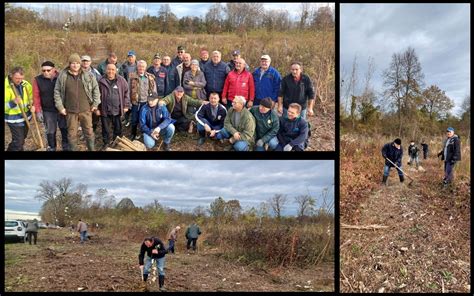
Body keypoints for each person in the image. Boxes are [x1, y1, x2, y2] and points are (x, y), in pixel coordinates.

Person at [54, 53, 101, 151]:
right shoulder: (63, 76)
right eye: (73, 63)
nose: (75, 65)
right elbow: (57, 91)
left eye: (77, 63)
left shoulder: (88, 75)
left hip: (86, 109)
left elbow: (96, 89)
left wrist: (95, 104)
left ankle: (91, 149)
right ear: (69, 64)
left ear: (80, 64)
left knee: (89, 131)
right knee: (71, 134)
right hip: (70, 111)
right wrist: (60, 107)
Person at [33, 61, 69, 151]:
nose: (46, 72)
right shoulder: (37, 80)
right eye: (43, 70)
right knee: (50, 131)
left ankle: (66, 146)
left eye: (48, 70)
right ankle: (52, 147)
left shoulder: (62, 77)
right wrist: (38, 111)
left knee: (64, 128)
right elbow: (36, 96)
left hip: (62, 109)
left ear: (54, 70)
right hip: (47, 110)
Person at [98, 63, 130, 150]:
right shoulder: (100, 80)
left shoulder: (121, 80)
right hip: (104, 109)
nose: (111, 71)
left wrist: (126, 105)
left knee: (118, 128)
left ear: (116, 70)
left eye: (113, 70)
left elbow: (127, 93)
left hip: (118, 109)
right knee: (105, 129)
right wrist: (97, 108)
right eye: (109, 69)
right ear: (106, 70)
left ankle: (117, 143)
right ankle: (106, 143)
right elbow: (96, 95)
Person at [5, 67, 34, 151]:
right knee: (18, 141)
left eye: (21, 78)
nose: (19, 81)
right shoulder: (5, 87)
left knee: (21, 139)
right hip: (13, 119)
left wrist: (31, 105)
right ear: (11, 76)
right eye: (17, 78)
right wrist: (12, 103)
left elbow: (31, 99)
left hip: (26, 117)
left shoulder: (26, 84)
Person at [129, 60, 157, 140]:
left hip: (146, 102)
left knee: (145, 119)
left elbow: (154, 90)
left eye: (143, 66)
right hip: (136, 102)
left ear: (145, 67)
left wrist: (153, 101)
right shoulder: (132, 76)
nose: (141, 68)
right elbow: (128, 89)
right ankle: (133, 134)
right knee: (134, 119)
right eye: (139, 66)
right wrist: (129, 102)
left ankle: (144, 134)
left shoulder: (150, 77)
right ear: (137, 67)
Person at [81, 55, 102, 133]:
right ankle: (85, 133)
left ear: (90, 62)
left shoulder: (95, 72)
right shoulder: (77, 72)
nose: (85, 62)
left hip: (93, 99)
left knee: (95, 117)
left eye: (87, 61)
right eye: (84, 61)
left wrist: (97, 99)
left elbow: (100, 84)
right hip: (82, 100)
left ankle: (93, 131)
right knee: (84, 118)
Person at [121, 50, 138, 128]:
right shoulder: (124, 66)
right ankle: (127, 119)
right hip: (126, 88)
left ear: (135, 57)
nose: (130, 58)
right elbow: (121, 76)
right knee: (127, 103)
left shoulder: (138, 65)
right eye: (129, 57)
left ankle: (133, 120)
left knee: (135, 105)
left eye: (132, 57)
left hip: (135, 89)